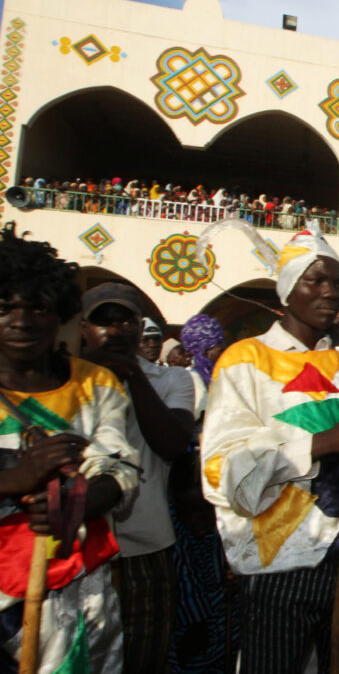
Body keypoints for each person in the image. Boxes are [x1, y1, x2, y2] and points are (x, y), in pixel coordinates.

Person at [201, 229, 339, 672]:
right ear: (287, 289)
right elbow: (220, 469)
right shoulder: (245, 360)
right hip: (283, 561)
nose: (330, 292)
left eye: (338, 282)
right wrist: (325, 442)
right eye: (315, 281)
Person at [0, 228, 139, 671]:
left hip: (72, 596)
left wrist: (73, 504)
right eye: (5, 308)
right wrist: (13, 481)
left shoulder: (96, 385)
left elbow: (118, 470)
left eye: (37, 307)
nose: (22, 321)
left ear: (59, 314)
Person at [79, 283, 194, 674]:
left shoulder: (172, 381)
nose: (115, 330)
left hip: (145, 545)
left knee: (144, 659)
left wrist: (132, 375)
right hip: (75, 549)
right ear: (83, 329)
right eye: (103, 321)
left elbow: (175, 445)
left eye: (126, 320)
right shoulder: (62, 381)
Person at [170, 313, 236, 671]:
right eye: (212, 346)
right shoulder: (191, 382)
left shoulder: (220, 379)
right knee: (195, 579)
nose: (218, 351)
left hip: (217, 486)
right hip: (195, 490)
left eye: (219, 344)